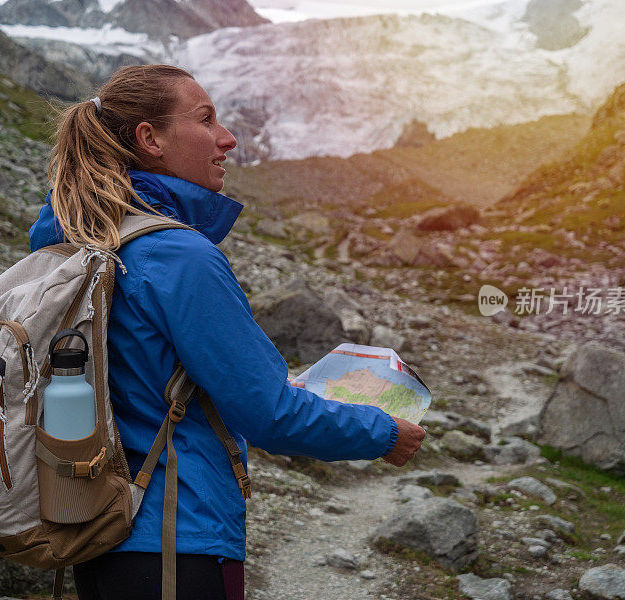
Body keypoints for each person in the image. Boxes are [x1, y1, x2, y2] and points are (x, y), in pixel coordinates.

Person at [28, 64, 426, 600]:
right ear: (151, 139)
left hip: (97, 533)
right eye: (206, 119)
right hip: (175, 538)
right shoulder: (177, 256)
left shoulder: (73, 243)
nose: (228, 138)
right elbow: (269, 413)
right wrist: (383, 432)